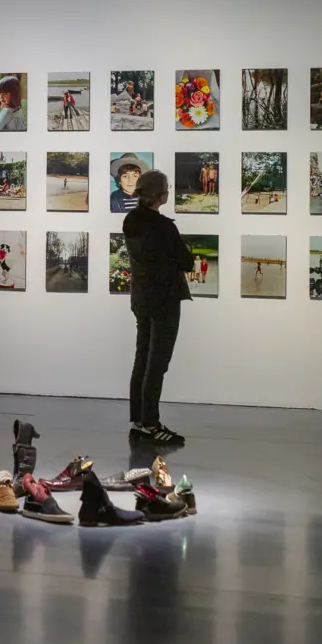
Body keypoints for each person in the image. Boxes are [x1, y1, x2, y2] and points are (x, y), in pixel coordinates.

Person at [123, 170, 193, 445]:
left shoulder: (131, 220)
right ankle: (151, 424)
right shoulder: (164, 227)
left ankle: (138, 421)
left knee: (142, 359)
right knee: (157, 363)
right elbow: (186, 262)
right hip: (164, 299)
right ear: (161, 195)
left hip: (142, 297)